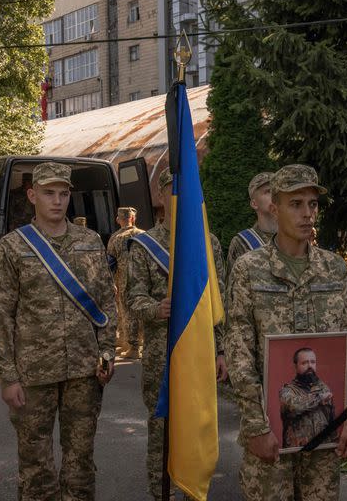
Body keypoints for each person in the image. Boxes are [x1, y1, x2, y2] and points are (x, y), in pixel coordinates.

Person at [226, 164, 347, 501]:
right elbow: (239, 353)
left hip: (324, 434)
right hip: (270, 434)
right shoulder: (250, 269)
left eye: (313, 204)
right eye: (296, 204)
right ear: (274, 208)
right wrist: (257, 426)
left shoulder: (333, 268)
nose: (308, 214)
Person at [0, 162, 117, 501]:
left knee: (80, 464)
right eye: (48, 193)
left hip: (84, 371)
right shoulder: (13, 247)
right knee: (36, 468)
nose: (57, 201)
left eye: (63, 193)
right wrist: (7, 377)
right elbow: (0, 314)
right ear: (33, 196)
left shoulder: (90, 242)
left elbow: (106, 303)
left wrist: (107, 352)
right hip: (32, 375)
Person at [125, 168, 227, 501]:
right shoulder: (144, 245)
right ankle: (162, 494)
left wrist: (221, 351)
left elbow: (218, 301)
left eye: (185, 192)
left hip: (199, 352)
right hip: (161, 355)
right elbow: (133, 298)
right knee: (162, 433)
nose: (179, 198)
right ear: (162, 196)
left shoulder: (208, 243)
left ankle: (194, 492)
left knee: (197, 427)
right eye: (173, 191)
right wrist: (157, 308)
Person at [279, 348, 335, 449]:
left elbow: (331, 419)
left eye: (313, 362)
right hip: (297, 453)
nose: (310, 366)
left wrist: (335, 443)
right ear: (295, 366)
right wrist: (319, 398)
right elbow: (295, 406)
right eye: (304, 363)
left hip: (323, 452)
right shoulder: (287, 391)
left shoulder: (323, 388)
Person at [107, 207, 143, 358]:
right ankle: (134, 343)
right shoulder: (144, 235)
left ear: (118, 220)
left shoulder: (115, 237)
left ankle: (133, 347)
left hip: (124, 281)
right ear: (133, 218)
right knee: (141, 311)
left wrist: (111, 282)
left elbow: (110, 263)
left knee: (127, 313)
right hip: (142, 280)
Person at [226, 171, 277, 275]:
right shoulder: (242, 243)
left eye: (277, 191)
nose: (274, 196)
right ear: (254, 204)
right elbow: (233, 288)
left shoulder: (295, 237)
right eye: (268, 192)